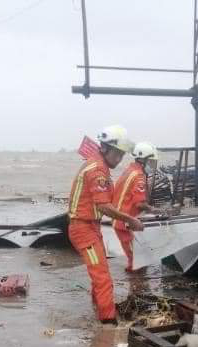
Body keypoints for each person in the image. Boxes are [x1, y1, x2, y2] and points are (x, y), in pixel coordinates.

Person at [67, 126, 144, 325]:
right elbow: (103, 206)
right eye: (117, 154)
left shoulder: (96, 163)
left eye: (122, 155)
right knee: (102, 277)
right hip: (83, 229)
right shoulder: (98, 170)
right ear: (105, 148)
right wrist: (130, 219)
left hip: (90, 227)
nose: (119, 160)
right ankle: (108, 323)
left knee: (99, 271)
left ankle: (99, 307)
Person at [113, 141, 159, 272]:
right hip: (126, 223)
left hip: (119, 220)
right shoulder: (139, 176)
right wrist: (153, 209)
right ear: (143, 160)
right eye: (151, 162)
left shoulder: (130, 170)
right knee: (138, 261)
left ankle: (135, 284)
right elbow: (139, 203)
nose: (152, 165)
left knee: (135, 259)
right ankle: (136, 287)